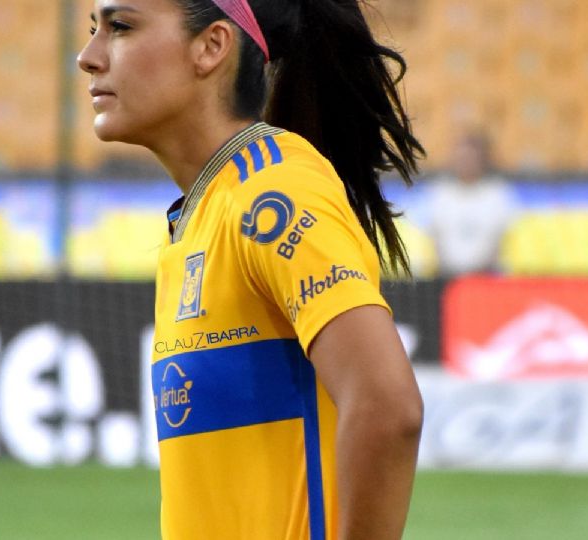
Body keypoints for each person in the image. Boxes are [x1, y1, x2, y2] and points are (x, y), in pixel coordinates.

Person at [78, 1, 424, 538]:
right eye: (93, 29)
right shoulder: (203, 213)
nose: (88, 56)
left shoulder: (273, 194)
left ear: (211, 46)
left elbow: (386, 406)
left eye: (120, 26)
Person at [420, 130, 517, 275]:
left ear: (483, 159)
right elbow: (432, 239)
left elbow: (504, 241)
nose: (466, 163)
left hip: (486, 277)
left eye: (472, 158)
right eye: (462, 158)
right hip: (445, 276)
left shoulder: (498, 194)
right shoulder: (439, 193)